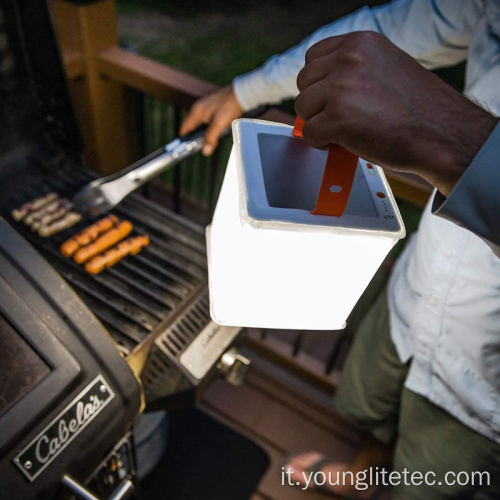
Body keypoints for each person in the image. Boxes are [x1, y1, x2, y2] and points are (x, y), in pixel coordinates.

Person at [181, 1, 500, 498]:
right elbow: (401, 27)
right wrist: (249, 90)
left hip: (486, 371)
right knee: (367, 404)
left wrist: (461, 142)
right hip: (421, 282)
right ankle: (364, 474)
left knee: (434, 482)